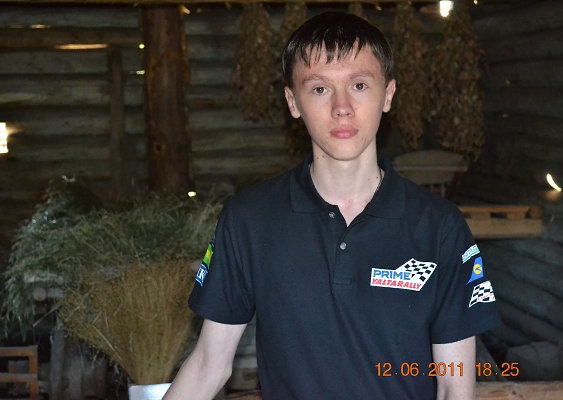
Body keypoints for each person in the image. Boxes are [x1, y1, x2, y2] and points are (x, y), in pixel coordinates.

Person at [163, 11, 500, 400]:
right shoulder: (249, 220)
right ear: (293, 101)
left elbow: (454, 385)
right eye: (320, 89)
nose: (342, 107)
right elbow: (208, 366)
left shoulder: (439, 227)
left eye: (359, 85)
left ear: (388, 94)